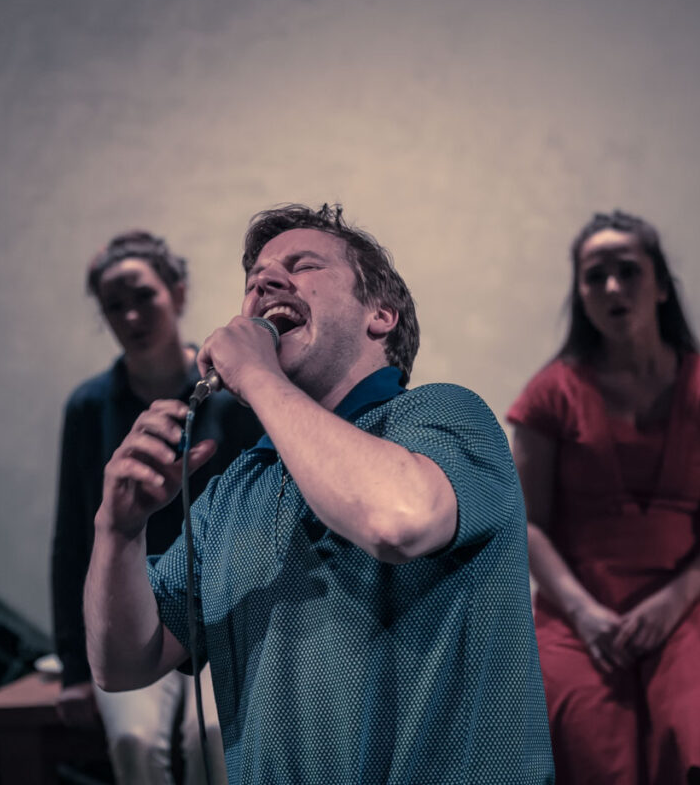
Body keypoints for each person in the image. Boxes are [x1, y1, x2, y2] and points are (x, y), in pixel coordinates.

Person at [85, 204, 554, 785]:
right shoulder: (235, 490)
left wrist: (257, 376)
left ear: (380, 315)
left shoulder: (443, 417)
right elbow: (124, 663)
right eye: (254, 278)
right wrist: (119, 531)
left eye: (302, 265)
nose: (265, 282)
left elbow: (396, 520)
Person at [505, 210, 700, 785]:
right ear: (579, 293)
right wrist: (582, 612)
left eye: (628, 271)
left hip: (689, 602)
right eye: (594, 276)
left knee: (697, 720)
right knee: (581, 731)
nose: (612, 288)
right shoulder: (550, 394)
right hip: (579, 610)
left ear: (661, 285)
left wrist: (675, 602)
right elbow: (526, 525)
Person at [50, 230, 262, 785]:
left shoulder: (235, 397)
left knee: (214, 738)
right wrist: (75, 667)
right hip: (131, 609)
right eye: (114, 306)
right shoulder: (89, 407)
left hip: (222, 611)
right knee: (131, 741)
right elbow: (75, 536)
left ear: (178, 293)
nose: (131, 316)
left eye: (143, 296)